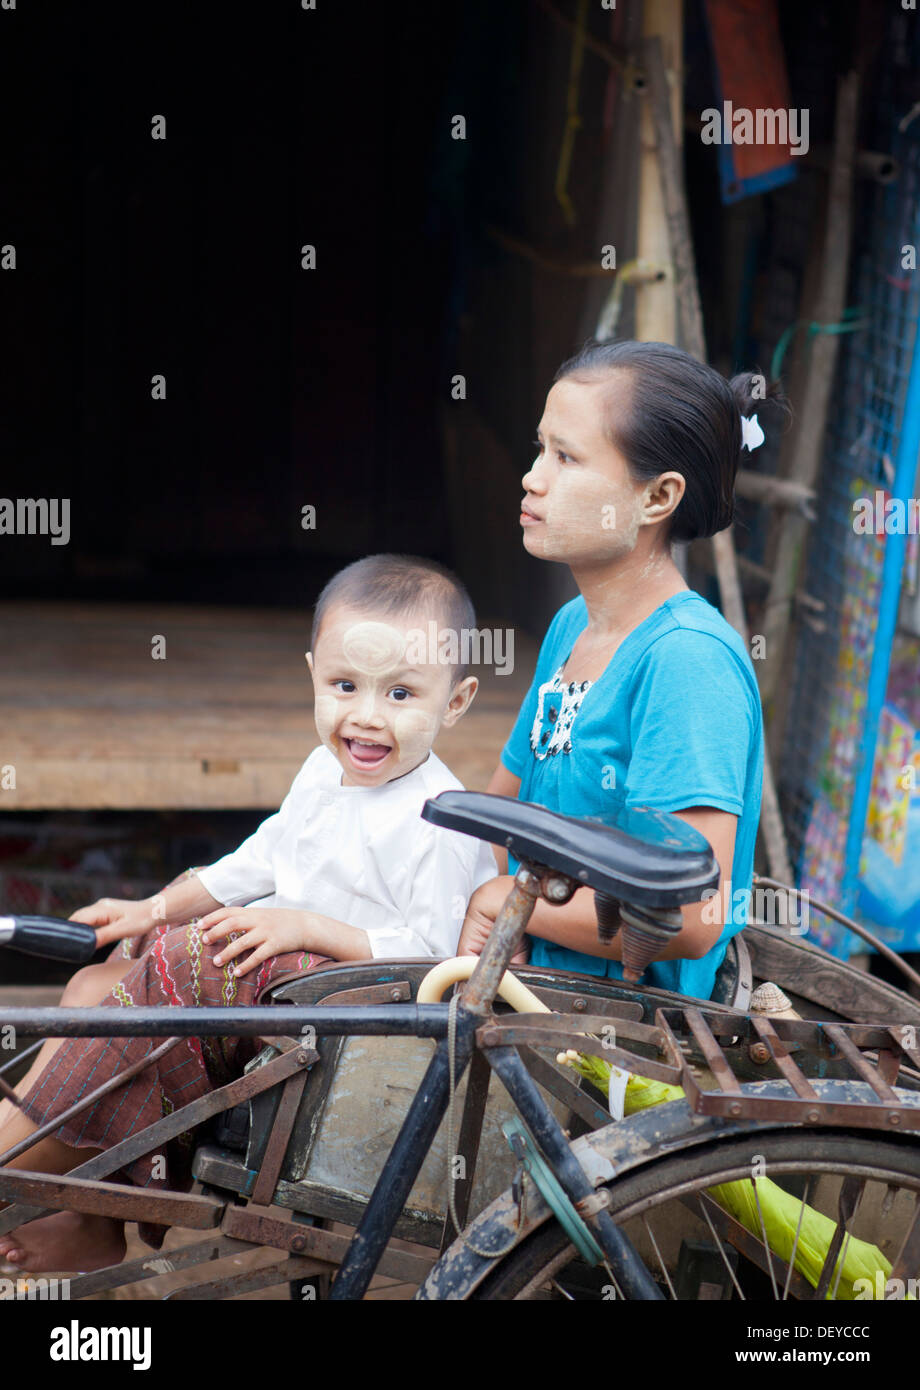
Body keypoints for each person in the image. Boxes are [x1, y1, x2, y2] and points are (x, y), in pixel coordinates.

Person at [0, 553, 498, 1272]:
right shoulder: (321, 772)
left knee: (188, 962)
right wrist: (152, 907)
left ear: (454, 701)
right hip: (289, 1010)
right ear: (313, 675)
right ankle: (89, 1212)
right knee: (96, 987)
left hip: (361, 1035)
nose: (365, 715)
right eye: (345, 685)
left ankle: (15, 1151)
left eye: (400, 694)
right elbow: (257, 863)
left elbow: (433, 957)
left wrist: (306, 928)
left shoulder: (439, 821)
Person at [458, 340, 773, 1002]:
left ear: (657, 497)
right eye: (541, 448)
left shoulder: (687, 662)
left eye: (567, 458)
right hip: (530, 985)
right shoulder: (574, 625)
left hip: (624, 1033)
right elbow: (503, 812)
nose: (533, 478)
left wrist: (510, 907)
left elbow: (689, 917)